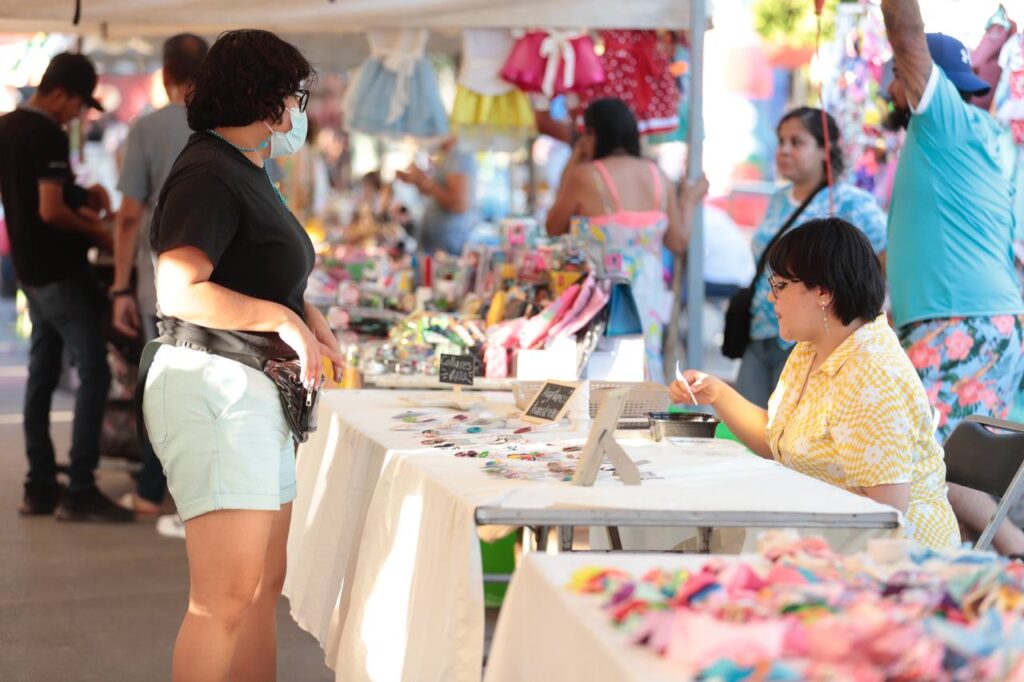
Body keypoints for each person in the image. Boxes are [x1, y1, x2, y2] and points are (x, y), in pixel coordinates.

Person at [141, 30, 343, 682]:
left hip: (252, 391)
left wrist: (307, 318)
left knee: (260, 586)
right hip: (216, 392)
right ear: (267, 99)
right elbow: (180, 288)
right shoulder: (208, 172)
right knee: (223, 598)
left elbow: (259, 272)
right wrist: (282, 317)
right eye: (295, 96)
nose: (299, 112)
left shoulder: (245, 169)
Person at [672, 218, 959, 549]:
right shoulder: (813, 347)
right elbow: (777, 438)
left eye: (779, 286)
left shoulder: (872, 374)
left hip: (892, 565)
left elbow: (885, 513)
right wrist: (716, 392)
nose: (770, 298)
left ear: (822, 291)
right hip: (826, 542)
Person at [882, 0, 1024, 554]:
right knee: (940, 462)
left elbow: (906, 32)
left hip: (960, 321)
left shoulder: (942, 120)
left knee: (922, 458)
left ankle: (1012, 550)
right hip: (975, 319)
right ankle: (983, 558)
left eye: (897, 76)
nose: (890, 88)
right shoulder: (984, 140)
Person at [0, 53, 133, 523]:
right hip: (58, 271)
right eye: (77, 106)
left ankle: (39, 485)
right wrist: (101, 233)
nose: (77, 116)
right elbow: (50, 209)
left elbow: (32, 191)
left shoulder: (8, 127)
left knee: (42, 372)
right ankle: (79, 487)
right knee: (93, 369)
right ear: (60, 93)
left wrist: (82, 193)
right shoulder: (46, 133)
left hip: (30, 272)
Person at [111, 33, 209, 521]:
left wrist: (120, 287)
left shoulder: (146, 129)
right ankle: (200, 489)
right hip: (226, 287)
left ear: (166, 76)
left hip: (165, 282)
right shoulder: (231, 127)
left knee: (162, 387)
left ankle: (153, 490)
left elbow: (128, 216)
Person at [737, 107, 887, 408]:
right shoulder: (778, 199)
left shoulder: (851, 202)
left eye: (797, 142)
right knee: (744, 429)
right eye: (781, 142)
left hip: (811, 339)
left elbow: (880, 264)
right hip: (763, 328)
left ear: (824, 149)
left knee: (789, 438)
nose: (785, 151)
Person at [546, 98, 689, 383]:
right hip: (648, 293)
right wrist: (692, 200)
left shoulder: (584, 175)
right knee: (645, 365)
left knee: (599, 371)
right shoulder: (657, 175)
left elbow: (553, 226)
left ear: (594, 134)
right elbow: (678, 241)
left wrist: (576, 156)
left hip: (601, 295)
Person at [397, 136, 475, 255]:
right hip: (435, 246)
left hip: (447, 248)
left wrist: (423, 181)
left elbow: (459, 204)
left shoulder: (459, 154)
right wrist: (417, 180)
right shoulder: (445, 155)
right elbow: (436, 192)